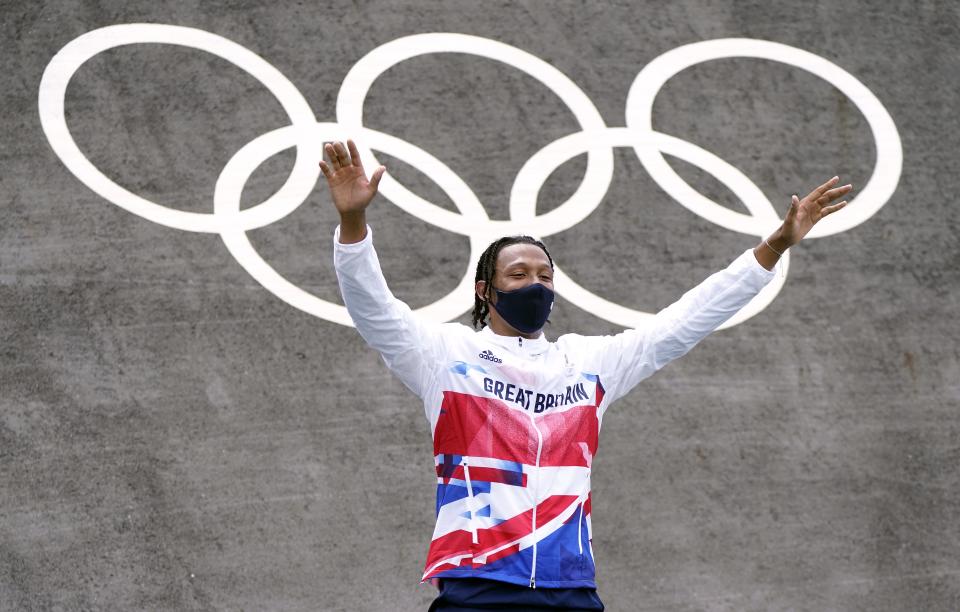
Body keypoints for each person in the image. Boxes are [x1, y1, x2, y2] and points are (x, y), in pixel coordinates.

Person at [320, 139, 851, 612]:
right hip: (477, 587)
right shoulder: (445, 354)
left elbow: (685, 321)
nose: (536, 284)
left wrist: (774, 247)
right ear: (485, 290)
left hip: (571, 591)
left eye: (545, 276)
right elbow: (375, 311)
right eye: (519, 274)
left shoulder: (588, 365)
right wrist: (353, 225)